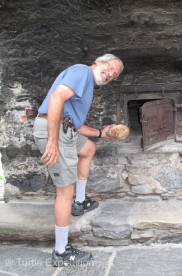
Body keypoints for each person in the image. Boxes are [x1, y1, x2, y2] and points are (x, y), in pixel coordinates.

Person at [33, 54, 124, 267]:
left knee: (89, 148)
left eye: (115, 74)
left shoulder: (87, 83)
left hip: (66, 130)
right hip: (53, 131)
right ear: (99, 61)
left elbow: (75, 124)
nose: (111, 74)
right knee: (65, 190)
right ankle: (61, 251)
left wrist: (102, 133)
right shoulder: (82, 71)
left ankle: (80, 201)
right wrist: (53, 142)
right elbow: (56, 98)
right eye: (110, 67)